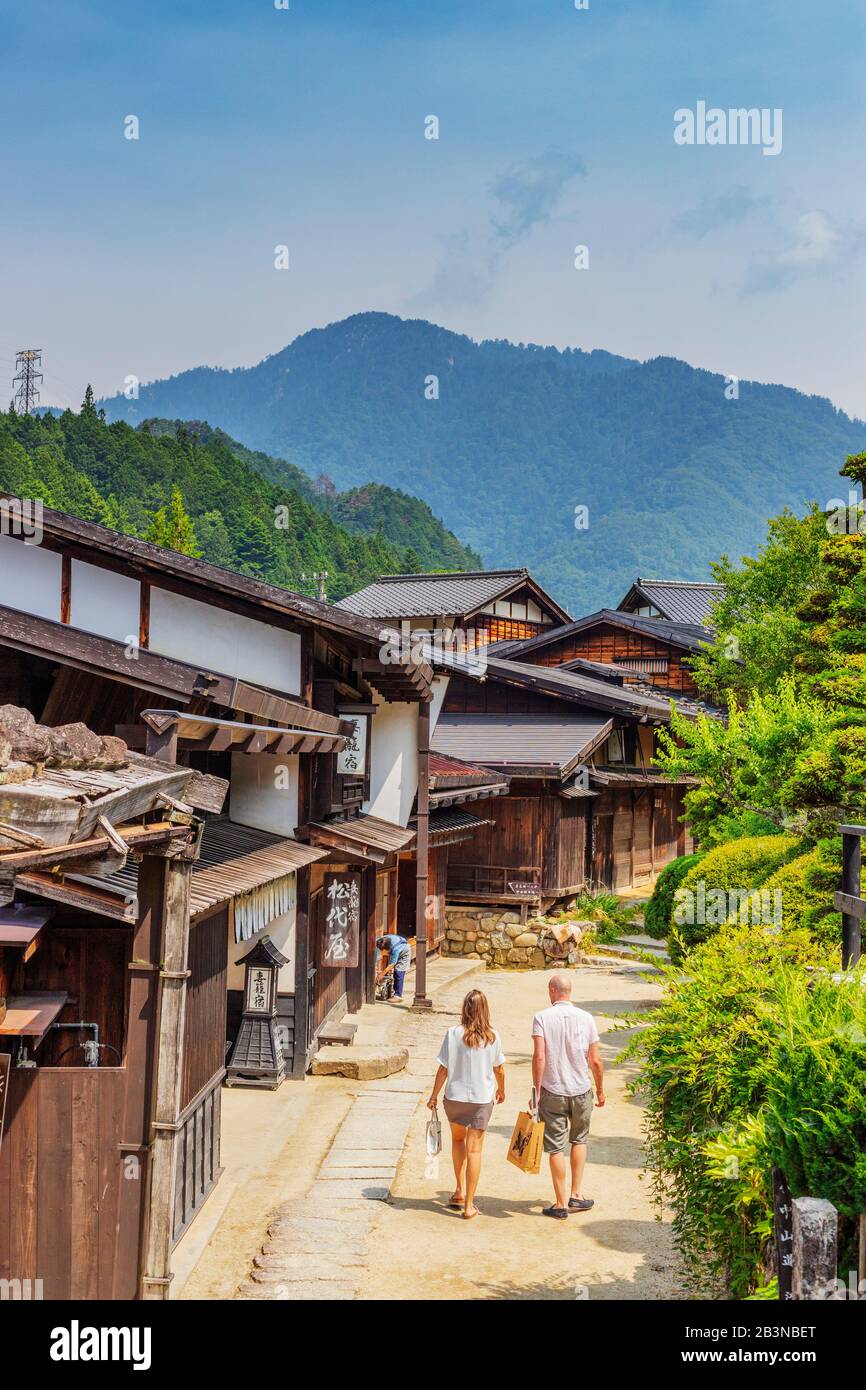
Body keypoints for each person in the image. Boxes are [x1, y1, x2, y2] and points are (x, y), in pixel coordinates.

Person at [531, 973, 605, 1220]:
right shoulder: (586, 1019)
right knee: (579, 1140)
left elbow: (539, 1057)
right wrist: (601, 1089)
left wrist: (536, 1090)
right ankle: (576, 1193)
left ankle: (561, 1202)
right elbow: (594, 1060)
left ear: (553, 991)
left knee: (555, 1147)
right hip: (581, 1089)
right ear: (568, 992)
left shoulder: (541, 1018)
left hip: (552, 1091)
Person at [427, 989, 505, 1220]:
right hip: (480, 1100)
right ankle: (469, 1205)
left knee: (458, 1141)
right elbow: (499, 1068)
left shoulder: (452, 1034)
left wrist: (433, 1096)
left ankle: (459, 1190)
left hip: (455, 1097)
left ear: (465, 1009)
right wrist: (502, 1088)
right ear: (485, 1009)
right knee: (475, 1150)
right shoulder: (492, 1036)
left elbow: (443, 1068)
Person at [376, 933, 411, 999]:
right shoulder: (379, 942)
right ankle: (385, 986)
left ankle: (398, 995)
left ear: (388, 949)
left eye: (383, 951)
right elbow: (376, 958)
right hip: (392, 949)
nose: (381, 952)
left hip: (404, 951)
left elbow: (392, 964)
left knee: (398, 972)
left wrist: (381, 974)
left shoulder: (395, 949)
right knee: (385, 971)